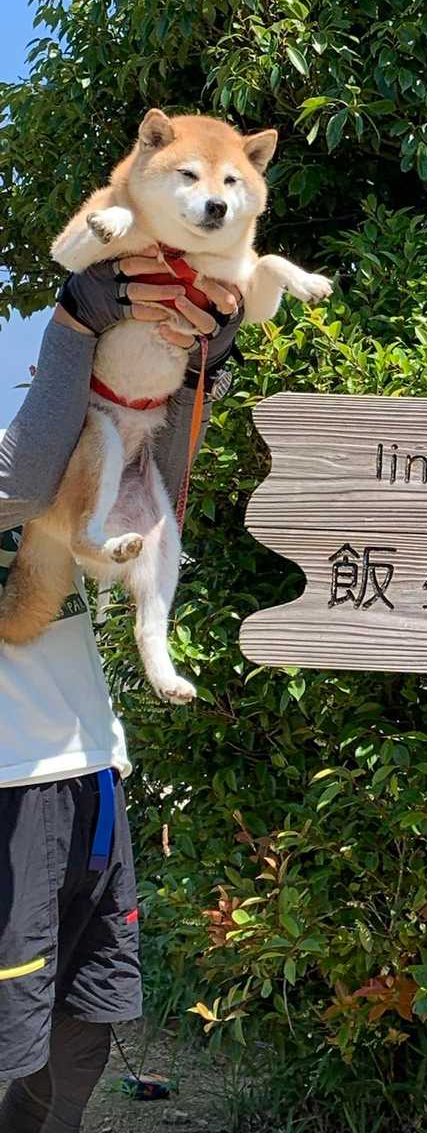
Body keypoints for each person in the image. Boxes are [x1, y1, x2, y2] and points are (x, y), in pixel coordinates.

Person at [0, 252, 241, 1132]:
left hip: (88, 770)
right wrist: (73, 321)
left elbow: (154, 476)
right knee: (13, 1027)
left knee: (83, 1022)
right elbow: (22, 484)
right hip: (9, 790)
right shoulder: (23, 463)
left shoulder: (51, 442)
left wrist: (197, 358)